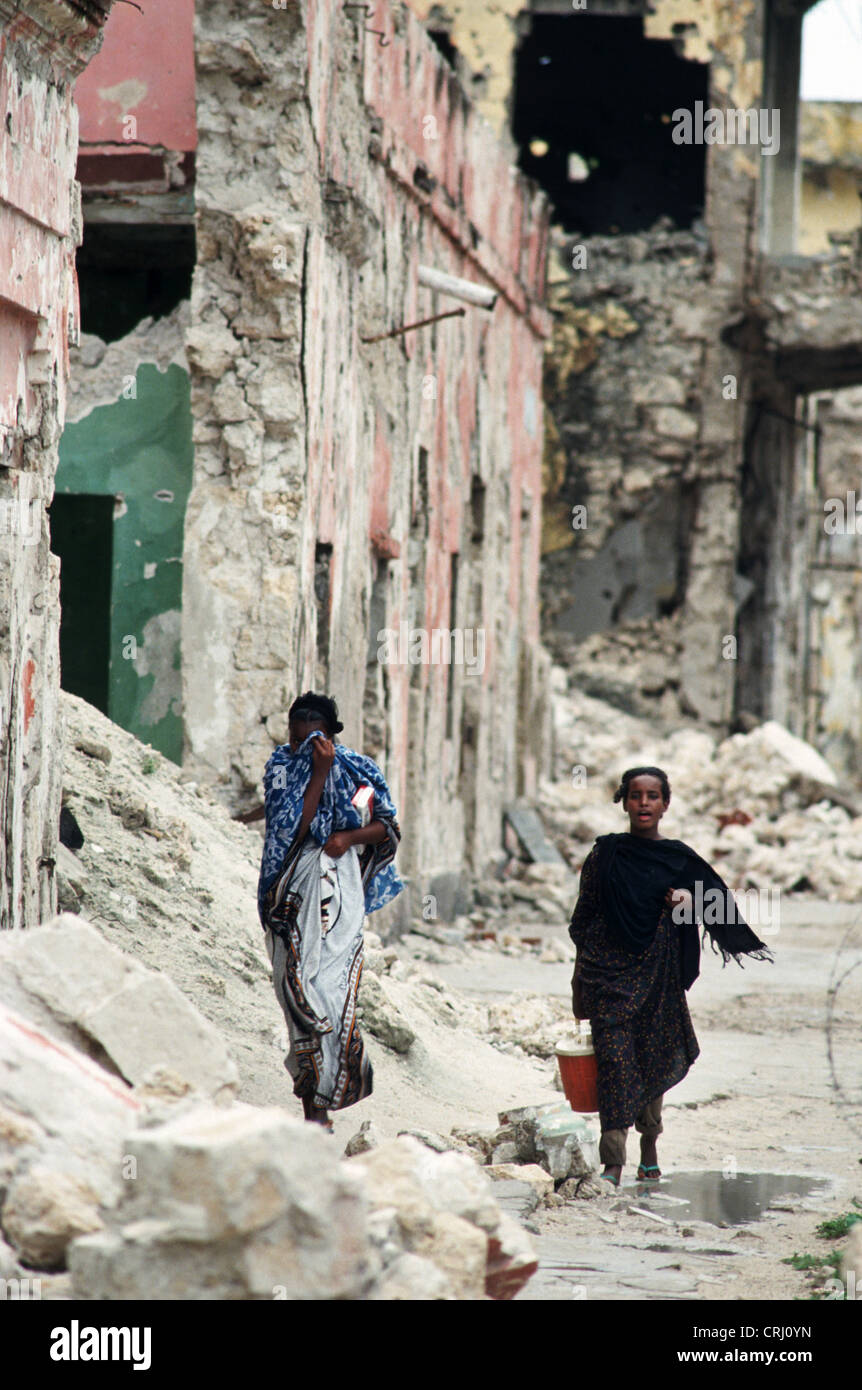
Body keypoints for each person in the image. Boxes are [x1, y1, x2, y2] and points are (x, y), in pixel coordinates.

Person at [568, 765, 773, 1186]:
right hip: (607, 976)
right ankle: (613, 1162)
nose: (644, 803)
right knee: (614, 1062)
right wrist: (581, 978)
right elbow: (583, 919)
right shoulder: (604, 855)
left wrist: (687, 902)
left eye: (653, 796)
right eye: (636, 795)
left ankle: (650, 1142)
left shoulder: (678, 858)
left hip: (658, 977)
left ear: (665, 803)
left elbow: (719, 908)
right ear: (624, 801)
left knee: (651, 1055)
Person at [257, 692, 403, 1128]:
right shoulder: (282, 767)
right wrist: (317, 773)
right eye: (294, 732)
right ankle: (311, 1108)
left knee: (334, 996)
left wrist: (348, 840)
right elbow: (291, 831)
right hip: (291, 893)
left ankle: (327, 1098)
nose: (301, 740)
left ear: (330, 732)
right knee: (298, 993)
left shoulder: (360, 768)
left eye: (311, 732)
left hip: (339, 893)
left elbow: (388, 827)